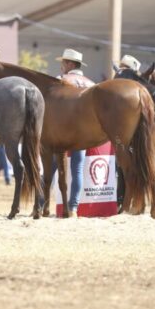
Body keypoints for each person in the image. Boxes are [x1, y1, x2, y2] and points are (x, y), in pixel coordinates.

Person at [56, 49, 94, 218]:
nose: (62, 66)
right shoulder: (92, 84)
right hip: (84, 132)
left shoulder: (60, 80)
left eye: (63, 63)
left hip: (62, 130)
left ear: (70, 64)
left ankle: (41, 204)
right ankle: (73, 208)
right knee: (77, 169)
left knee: (51, 167)